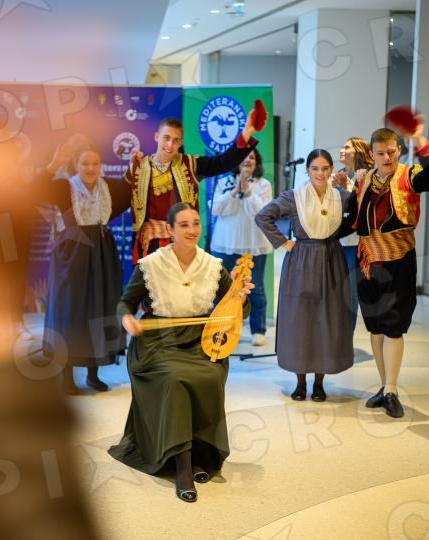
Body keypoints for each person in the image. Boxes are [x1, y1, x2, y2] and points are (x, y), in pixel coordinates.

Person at [109, 202, 253, 503]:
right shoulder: (151, 265)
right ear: (170, 230)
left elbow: (237, 310)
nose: (192, 230)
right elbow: (125, 302)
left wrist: (239, 298)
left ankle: (202, 456)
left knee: (210, 375)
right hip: (157, 344)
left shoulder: (213, 265)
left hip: (201, 342)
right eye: (184, 225)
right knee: (175, 379)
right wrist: (127, 319)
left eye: (196, 223)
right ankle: (183, 467)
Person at [351, 116, 429, 418]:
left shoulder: (410, 175)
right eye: (381, 153)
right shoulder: (365, 178)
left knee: (394, 326)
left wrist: (419, 139)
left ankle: (391, 389)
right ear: (372, 154)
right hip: (368, 259)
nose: (387, 158)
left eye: (392, 152)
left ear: (399, 150)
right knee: (374, 325)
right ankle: (384, 386)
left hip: (399, 258)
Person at [256, 149, 355, 401]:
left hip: (331, 259)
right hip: (301, 261)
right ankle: (300, 383)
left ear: (331, 169)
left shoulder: (341, 196)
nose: (320, 173)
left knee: (327, 318)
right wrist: (284, 242)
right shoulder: (293, 197)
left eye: (325, 168)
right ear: (307, 170)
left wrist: (353, 188)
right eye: (315, 168)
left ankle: (319, 383)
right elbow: (263, 216)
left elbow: (357, 215)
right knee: (301, 319)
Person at [38, 141, 131, 393]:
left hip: (102, 254)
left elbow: (134, 187)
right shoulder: (64, 188)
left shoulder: (109, 187)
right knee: (70, 311)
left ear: (100, 165)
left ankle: (93, 373)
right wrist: (53, 165)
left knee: (99, 308)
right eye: (85, 163)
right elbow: (33, 189)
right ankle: (66, 375)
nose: (90, 168)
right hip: (71, 254)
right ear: (76, 165)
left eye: (95, 163)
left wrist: (136, 165)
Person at [124, 109, 264, 263]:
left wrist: (246, 133)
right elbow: (120, 197)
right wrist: (131, 171)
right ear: (157, 137)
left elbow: (223, 162)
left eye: (176, 140)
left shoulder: (191, 164)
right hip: (149, 247)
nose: (170, 144)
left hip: (181, 245)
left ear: (180, 143)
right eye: (166, 138)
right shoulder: (140, 167)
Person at [210, 148, 273, 346]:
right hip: (225, 243)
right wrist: (235, 191)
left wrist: (248, 191)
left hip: (254, 245)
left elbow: (262, 213)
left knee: (256, 288)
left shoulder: (264, 184)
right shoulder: (224, 182)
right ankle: (219, 328)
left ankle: (258, 330)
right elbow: (216, 209)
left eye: (252, 157)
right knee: (222, 288)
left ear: (257, 162)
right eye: (244, 157)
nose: (248, 160)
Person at [331, 137, 373, 332]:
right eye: (342, 146)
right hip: (335, 240)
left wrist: (345, 188)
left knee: (349, 291)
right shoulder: (339, 175)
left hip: (354, 243)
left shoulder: (367, 176)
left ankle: (346, 337)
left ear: (358, 152)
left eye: (347, 147)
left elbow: (360, 210)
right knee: (335, 290)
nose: (342, 150)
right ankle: (336, 335)